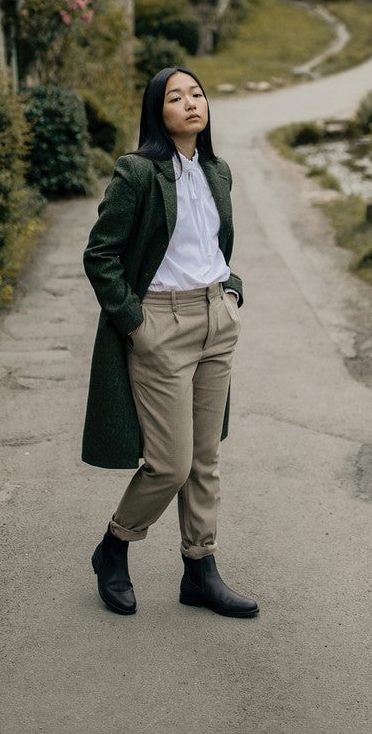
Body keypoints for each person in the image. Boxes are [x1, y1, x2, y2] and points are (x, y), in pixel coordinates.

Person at [82, 66, 258, 619]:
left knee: (205, 459)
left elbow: (215, 244)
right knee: (169, 463)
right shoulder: (138, 172)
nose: (190, 103)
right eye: (176, 97)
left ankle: (200, 571)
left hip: (216, 320)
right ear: (158, 111)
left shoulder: (217, 171)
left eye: (197, 94)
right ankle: (114, 547)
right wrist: (136, 323)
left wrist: (230, 291)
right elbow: (101, 254)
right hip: (161, 323)